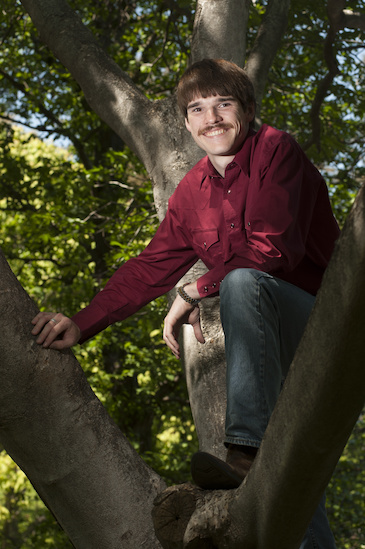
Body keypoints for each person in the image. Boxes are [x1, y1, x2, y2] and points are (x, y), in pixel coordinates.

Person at [32, 59, 339, 547]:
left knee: (240, 283)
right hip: (267, 350)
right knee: (293, 481)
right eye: (197, 108)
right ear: (186, 120)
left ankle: (244, 449)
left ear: (249, 110)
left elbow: (270, 249)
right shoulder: (191, 192)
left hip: (324, 328)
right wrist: (81, 322)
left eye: (224, 104)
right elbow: (148, 268)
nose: (211, 118)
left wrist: (194, 290)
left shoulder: (276, 150)